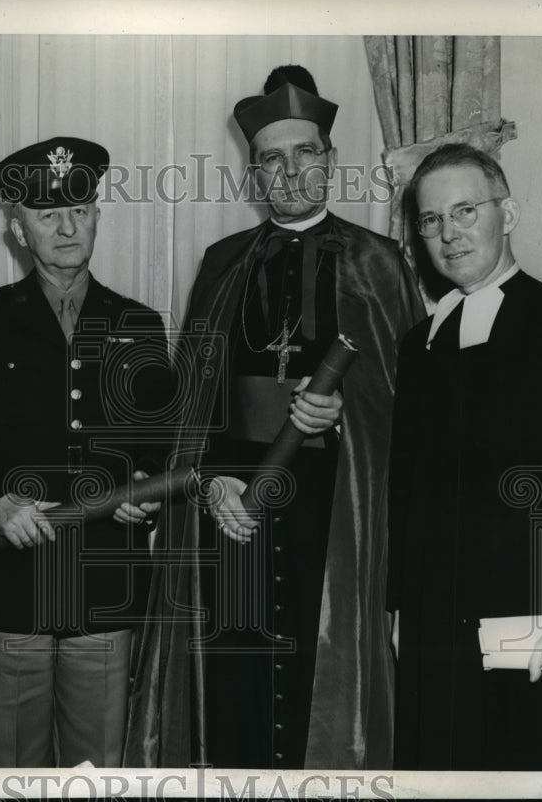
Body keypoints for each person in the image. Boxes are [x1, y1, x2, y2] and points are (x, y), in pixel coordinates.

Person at [125, 65, 423, 769]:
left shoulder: (381, 264)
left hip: (335, 512)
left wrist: (347, 414)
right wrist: (215, 487)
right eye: (271, 160)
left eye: (304, 153)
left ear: (329, 159)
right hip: (232, 516)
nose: (289, 172)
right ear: (254, 174)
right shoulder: (223, 263)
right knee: (236, 691)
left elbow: (413, 413)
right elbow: (195, 407)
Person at [0, 137, 172, 768]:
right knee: (13, 768)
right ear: (17, 229)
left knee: (100, 767)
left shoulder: (139, 323)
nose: (67, 227)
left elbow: (159, 441)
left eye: (81, 209)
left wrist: (140, 490)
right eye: (46, 214)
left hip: (104, 584)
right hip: (11, 587)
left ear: (96, 215)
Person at [387, 143, 542, 770]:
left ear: (508, 214)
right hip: (436, 626)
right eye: (431, 219)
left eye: (465, 211)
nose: (448, 233)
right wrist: (400, 610)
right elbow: (405, 490)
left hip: (541, 627)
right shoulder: (419, 345)